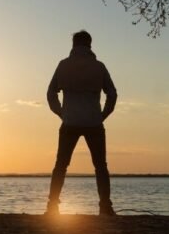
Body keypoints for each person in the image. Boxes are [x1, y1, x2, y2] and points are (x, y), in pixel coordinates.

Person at [46, 30, 117, 216]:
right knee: (100, 166)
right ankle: (105, 206)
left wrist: (61, 113)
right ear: (90, 45)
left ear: (73, 45)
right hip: (94, 122)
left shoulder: (63, 65)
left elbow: (51, 93)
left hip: (70, 122)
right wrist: (103, 115)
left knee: (61, 164)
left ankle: (52, 206)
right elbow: (112, 93)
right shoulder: (99, 67)